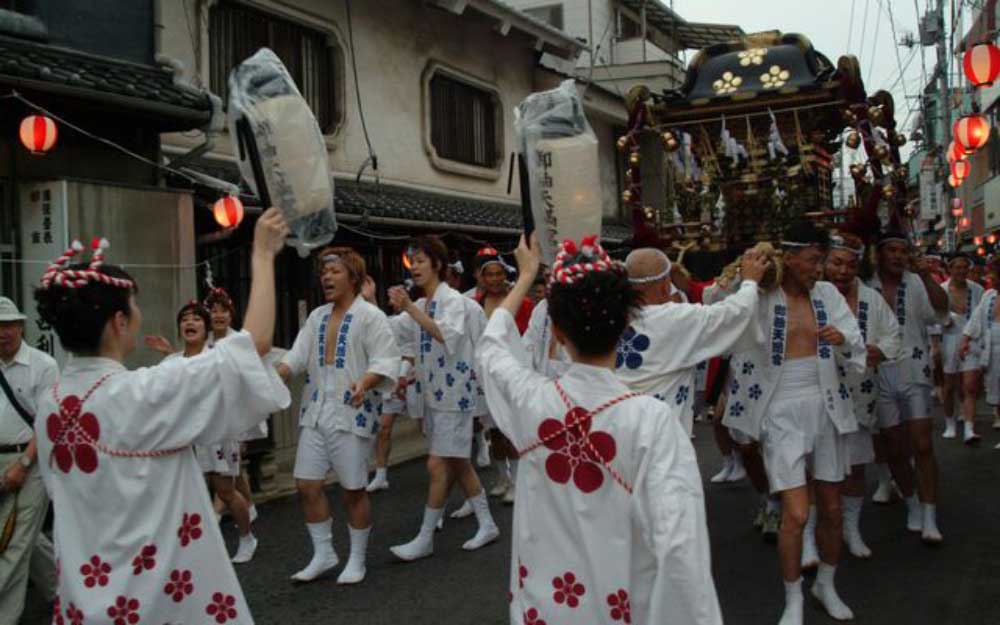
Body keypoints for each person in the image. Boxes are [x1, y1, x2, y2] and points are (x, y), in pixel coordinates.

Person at [34, 210, 290, 624]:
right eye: (134, 306)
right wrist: (261, 255)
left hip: (85, 593)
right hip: (155, 593)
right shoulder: (142, 393)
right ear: (119, 322)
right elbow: (253, 345)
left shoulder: (51, 402)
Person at [477, 233, 724, 625]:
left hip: (545, 609)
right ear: (627, 323)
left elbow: (491, 347)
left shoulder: (531, 402)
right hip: (623, 607)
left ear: (556, 334)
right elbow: (680, 546)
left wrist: (525, 276)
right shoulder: (650, 421)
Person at [724, 220, 865, 625]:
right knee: (797, 513)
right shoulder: (764, 296)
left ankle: (826, 583)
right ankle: (793, 599)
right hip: (781, 405)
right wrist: (749, 278)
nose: (818, 269)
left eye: (821, 260)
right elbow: (729, 320)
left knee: (833, 508)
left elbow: (855, 339)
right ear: (789, 258)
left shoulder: (826, 295)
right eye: (811, 260)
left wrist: (843, 339)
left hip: (826, 401)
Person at [278, 247, 400, 584]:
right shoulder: (317, 316)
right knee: (306, 484)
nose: (326, 277)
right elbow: (296, 356)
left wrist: (367, 381)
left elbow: (387, 360)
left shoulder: (370, 316)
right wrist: (276, 375)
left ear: (354, 277)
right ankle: (324, 553)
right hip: (316, 410)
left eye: (334, 271)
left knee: (353, 490)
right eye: (324, 272)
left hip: (352, 413)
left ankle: (356, 559)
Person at [388, 235, 499, 561]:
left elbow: (444, 333)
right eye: (413, 261)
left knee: (438, 464)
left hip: (454, 394)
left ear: (437, 264)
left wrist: (409, 307)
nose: (416, 267)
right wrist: (370, 304)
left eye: (421, 260)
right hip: (433, 395)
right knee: (458, 462)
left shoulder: (453, 302)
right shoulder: (422, 305)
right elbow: (398, 333)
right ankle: (487, 522)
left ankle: (424, 538)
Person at [616, 248, 766, 439]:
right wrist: (750, 282)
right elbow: (735, 312)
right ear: (665, 286)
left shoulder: (609, 317)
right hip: (662, 436)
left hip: (617, 430)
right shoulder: (675, 319)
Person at [822, 232, 901, 559]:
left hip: (860, 389)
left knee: (855, 468)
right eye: (836, 263)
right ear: (825, 263)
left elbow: (892, 334)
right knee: (818, 468)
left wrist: (878, 350)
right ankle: (817, 535)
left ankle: (852, 528)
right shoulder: (814, 295)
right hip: (823, 389)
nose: (842, 271)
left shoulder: (870, 298)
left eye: (850, 265)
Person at [162, 300, 259, 564]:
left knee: (225, 491)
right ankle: (193, 545)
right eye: (184, 319)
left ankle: (247, 537)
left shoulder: (219, 356)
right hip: (184, 435)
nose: (189, 323)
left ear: (206, 328)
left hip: (216, 432)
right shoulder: (171, 361)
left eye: (196, 319)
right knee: (186, 490)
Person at [869, 230, 949, 543]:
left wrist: (927, 275)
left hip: (914, 367)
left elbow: (941, 309)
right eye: (892, 250)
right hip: (878, 372)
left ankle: (929, 514)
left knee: (923, 444)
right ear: (880, 254)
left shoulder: (916, 282)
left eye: (903, 251)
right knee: (893, 447)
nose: (899, 256)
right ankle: (912, 502)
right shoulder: (866, 285)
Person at [0, 297, 58, 624]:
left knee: (13, 544)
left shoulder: (43, 365)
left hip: (30, 460)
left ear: (21, 326)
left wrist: (23, 464)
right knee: (28, 536)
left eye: (8, 325)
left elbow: (47, 424)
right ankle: (61, 590)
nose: (2, 333)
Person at [472, 246, 533, 505]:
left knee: (510, 431)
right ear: (481, 278)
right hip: (486, 376)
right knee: (494, 432)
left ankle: (518, 482)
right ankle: (502, 477)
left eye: (499, 273)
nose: (495, 279)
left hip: (513, 374)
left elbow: (530, 340)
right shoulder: (474, 305)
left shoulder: (524, 302)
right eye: (490, 275)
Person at [938, 254, 984, 442]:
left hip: (972, 340)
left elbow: (982, 316)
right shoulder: (941, 290)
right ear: (950, 270)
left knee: (969, 387)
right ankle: (949, 422)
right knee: (948, 386)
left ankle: (969, 429)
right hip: (948, 339)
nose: (962, 271)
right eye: (958, 267)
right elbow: (933, 318)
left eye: (965, 267)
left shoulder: (977, 290)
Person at [960, 266, 1000, 446]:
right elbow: (976, 318)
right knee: (995, 392)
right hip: (989, 347)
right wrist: (965, 339)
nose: (991, 278)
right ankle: (969, 429)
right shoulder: (989, 295)